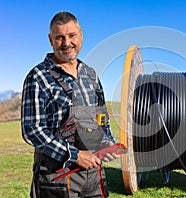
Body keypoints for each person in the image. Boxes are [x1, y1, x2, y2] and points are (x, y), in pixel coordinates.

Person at [21, 11, 118, 198]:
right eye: (59, 37)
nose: (66, 43)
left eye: (71, 35)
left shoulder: (91, 75)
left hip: (93, 175)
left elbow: (102, 119)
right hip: (57, 177)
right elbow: (32, 129)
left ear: (80, 35)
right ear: (51, 40)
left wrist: (107, 142)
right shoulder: (38, 77)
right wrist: (74, 155)